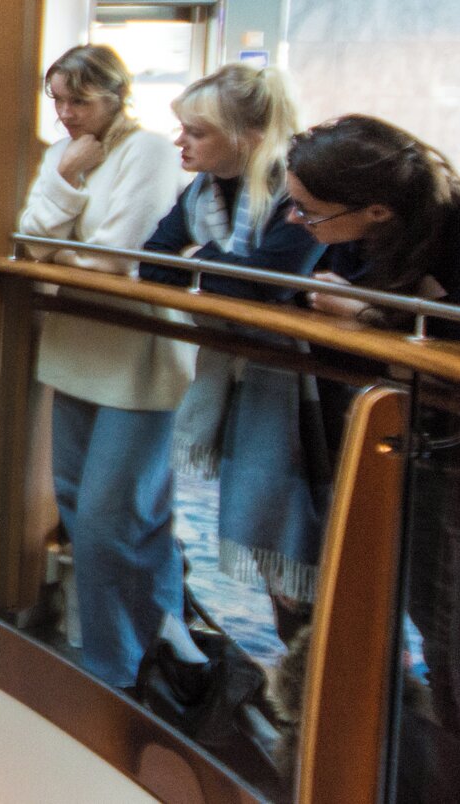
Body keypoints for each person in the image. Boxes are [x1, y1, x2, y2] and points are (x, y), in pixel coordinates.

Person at [286, 115, 460, 793]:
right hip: (423, 436)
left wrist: (359, 315)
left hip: (444, 440)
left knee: (447, 636)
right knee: (429, 619)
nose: (294, 220)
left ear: (377, 208)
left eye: (306, 208)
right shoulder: (379, 233)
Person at [18, 44, 195, 688]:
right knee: (80, 505)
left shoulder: (146, 151)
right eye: (57, 99)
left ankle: (122, 668)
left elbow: (118, 257)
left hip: (135, 352)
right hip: (74, 347)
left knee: (112, 517)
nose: (65, 113)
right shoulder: (60, 155)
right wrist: (66, 178)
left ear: (115, 96)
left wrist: (62, 255)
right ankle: (148, 650)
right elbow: (32, 240)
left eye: (79, 101)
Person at [140, 64, 324, 642]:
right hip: (249, 373)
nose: (181, 142)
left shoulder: (297, 187)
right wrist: (225, 274)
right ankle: (302, 677)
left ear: (245, 137)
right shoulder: (205, 190)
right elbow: (154, 261)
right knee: (274, 544)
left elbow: (271, 279)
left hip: (313, 393)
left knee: (307, 540)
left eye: (197, 132)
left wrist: (207, 271)